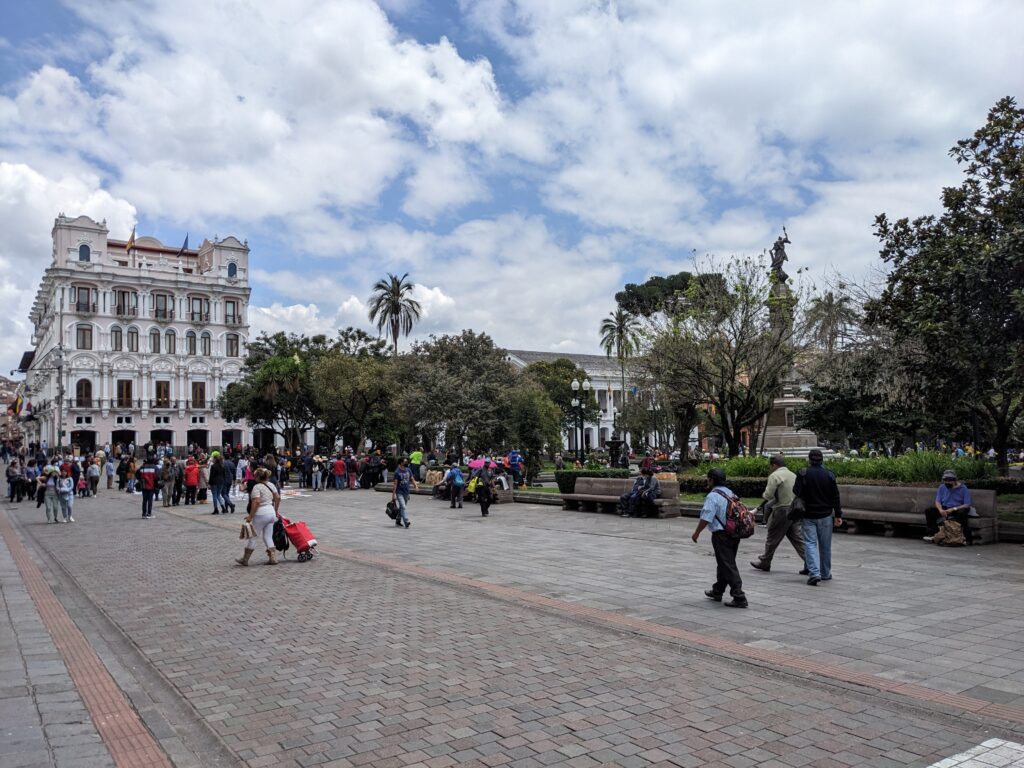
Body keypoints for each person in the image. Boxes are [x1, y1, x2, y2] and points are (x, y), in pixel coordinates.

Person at [691, 468, 747, 607]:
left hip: (721, 534)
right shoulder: (731, 493)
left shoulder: (713, 496)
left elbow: (707, 517)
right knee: (725, 562)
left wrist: (697, 532)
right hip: (734, 532)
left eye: (708, 479)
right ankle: (717, 591)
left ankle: (739, 596)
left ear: (712, 480)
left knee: (727, 564)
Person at [793, 449, 843, 586]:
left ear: (809, 459)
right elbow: (835, 496)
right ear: (822, 459)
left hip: (808, 515)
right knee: (825, 546)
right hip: (826, 516)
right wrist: (838, 515)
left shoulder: (803, 473)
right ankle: (825, 573)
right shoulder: (829, 475)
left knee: (810, 543)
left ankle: (814, 573)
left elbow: (796, 491)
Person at [750, 455, 807, 573]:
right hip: (795, 509)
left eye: (770, 466)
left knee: (772, 537)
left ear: (774, 465)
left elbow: (768, 495)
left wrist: (764, 497)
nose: (770, 468)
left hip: (782, 510)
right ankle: (811, 563)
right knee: (797, 538)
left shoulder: (775, 476)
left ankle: (765, 562)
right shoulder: (793, 475)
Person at [237, 467, 281, 566]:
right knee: (268, 537)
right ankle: (273, 558)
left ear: (257, 477)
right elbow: (277, 498)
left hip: (261, 513)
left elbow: (256, 502)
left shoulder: (257, 487)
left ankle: (245, 559)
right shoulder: (271, 485)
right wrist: (276, 510)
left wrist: (250, 516)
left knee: (253, 536)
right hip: (271, 513)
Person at [925, 470, 974, 545]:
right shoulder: (942, 487)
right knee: (929, 511)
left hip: (958, 508)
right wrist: (940, 510)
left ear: (955, 480)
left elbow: (967, 504)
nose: (947, 482)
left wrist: (953, 509)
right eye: (945, 480)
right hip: (945, 508)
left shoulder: (963, 488)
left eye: (949, 480)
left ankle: (965, 537)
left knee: (962, 513)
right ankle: (933, 534)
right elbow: (937, 501)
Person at [391, 457, 417, 528]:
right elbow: (395, 484)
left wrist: (415, 486)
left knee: (402, 508)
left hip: (406, 492)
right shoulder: (397, 472)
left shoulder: (408, 470)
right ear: (401, 463)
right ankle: (406, 521)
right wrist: (393, 495)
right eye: (405, 462)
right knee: (403, 507)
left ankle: (398, 520)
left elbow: (412, 478)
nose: (406, 463)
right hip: (399, 492)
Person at [137, 454, 158, 518]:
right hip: (151, 486)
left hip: (144, 486)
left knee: (144, 500)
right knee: (150, 500)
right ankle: (149, 513)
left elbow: (137, 474)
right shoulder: (154, 467)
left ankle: (143, 514)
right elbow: (157, 477)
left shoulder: (143, 467)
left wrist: (141, 480)